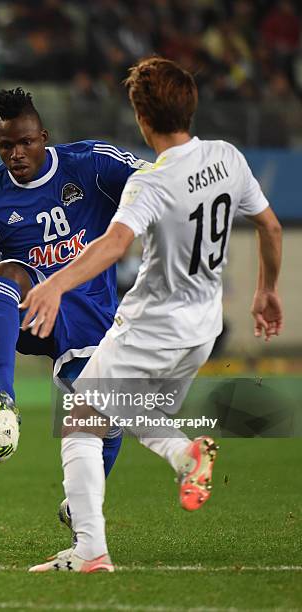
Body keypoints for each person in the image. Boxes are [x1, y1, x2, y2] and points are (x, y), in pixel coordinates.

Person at [20, 57, 283, 572]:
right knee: (128, 410)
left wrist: (54, 282)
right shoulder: (228, 157)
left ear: (141, 117)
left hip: (153, 326)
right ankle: (186, 456)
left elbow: (114, 244)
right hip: (204, 328)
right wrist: (266, 290)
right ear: (191, 105)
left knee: (81, 421)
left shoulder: (153, 182)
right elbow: (271, 227)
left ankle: (90, 550)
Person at [0, 87, 150, 524]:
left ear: (43, 136)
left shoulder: (91, 164)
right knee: (4, 274)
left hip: (91, 314)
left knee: (103, 421)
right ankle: (4, 398)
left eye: (25, 142)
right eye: (6, 145)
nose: (16, 154)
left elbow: (152, 181)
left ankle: (80, 506)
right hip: (33, 313)